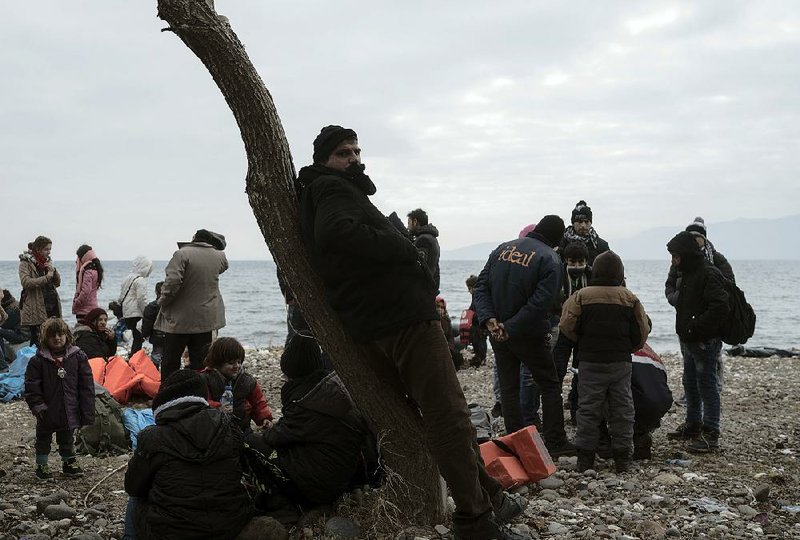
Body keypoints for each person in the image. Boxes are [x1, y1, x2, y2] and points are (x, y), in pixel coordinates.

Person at [296, 125, 527, 540]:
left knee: (443, 417)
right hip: (400, 321)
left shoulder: (330, 189)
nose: (354, 158)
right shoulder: (332, 189)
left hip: (378, 321)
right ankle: (475, 521)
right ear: (325, 159)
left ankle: (490, 495)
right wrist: (406, 247)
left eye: (356, 151)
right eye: (343, 153)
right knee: (450, 418)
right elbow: (338, 234)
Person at [473, 215, 575, 457]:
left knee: (508, 387)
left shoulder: (502, 249)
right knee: (549, 384)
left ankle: (515, 441)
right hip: (528, 334)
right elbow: (542, 302)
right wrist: (511, 326)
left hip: (497, 332)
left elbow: (481, 286)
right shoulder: (550, 258)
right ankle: (556, 440)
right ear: (557, 239)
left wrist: (490, 320)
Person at [123, 370, 252, 540]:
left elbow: (133, 486)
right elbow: (243, 469)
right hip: (230, 526)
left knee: (136, 498)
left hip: (172, 532)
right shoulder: (228, 426)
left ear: (163, 405)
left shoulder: (152, 437)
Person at [247, 337, 369, 506]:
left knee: (250, 443)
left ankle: (269, 498)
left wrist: (266, 432)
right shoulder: (338, 393)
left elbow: (274, 437)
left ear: (291, 371)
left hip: (316, 491)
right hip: (341, 480)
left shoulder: (306, 402)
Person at [559, 251, 650, 473]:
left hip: (589, 361)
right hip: (620, 363)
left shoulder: (580, 296)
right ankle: (622, 459)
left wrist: (581, 342)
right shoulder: (629, 298)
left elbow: (566, 325)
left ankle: (585, 459)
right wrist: (630, 347)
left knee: (588, 409)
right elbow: (642, 330)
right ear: (620, 274)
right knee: (623, 410)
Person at [665, 231, 730, 453]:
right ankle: (693, 424)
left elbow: (721, 306)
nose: (673, 261)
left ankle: (711, 432)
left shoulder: (708, 273)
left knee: (707, 385)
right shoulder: (687, 272)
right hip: (689, 339)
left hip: (704, 341)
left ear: (685, 255)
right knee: (690, 383)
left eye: (676, 256)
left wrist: (697, 325)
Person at [665, 216, 734, 396]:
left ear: (704, 238)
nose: (695, 240)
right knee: (687, 357)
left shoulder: (716, 260)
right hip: (685, 316)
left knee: (713, 358)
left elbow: (728, 288)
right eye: (692, 237)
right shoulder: (679, 261)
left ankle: (715, 389)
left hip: (709, 320)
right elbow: (670, 284)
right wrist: (678, 299)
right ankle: (691, 393)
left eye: (698, 237)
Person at [24, 317, 94, 479]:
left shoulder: (78, 357)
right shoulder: (38, 361)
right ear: (44, 338)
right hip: (46, 410)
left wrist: (87, 409)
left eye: (60, 334)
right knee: (43, 439)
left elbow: (86, 386)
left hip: (69, 408)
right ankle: (42, 465)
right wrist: (38, 406)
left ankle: (69, 462)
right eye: (52, 335)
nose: (57, 338)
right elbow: (31, 386)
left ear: (67, 335)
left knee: (67, 437)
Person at [155, 229, 228, 380]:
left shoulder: (182, 254)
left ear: (194, 239)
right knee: (200, 361)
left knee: (171, 361)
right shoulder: (219, 256)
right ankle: (199, 392)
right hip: (206, 318)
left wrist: (162, 301)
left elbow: (172, 283)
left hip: (180, 320)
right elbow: (223, 267)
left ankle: (169, 393)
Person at [553, 241, 592, 422]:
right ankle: (555, 413)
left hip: (584, 332)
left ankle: (577, 410)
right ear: (565, 261)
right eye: (572, 262)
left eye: (580, 263)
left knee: (580, 371)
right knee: (557, 370)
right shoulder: (557, 275)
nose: (576, 266)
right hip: (562, 330)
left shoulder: (591, 275)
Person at [200, 337, 272, 433]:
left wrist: (264, 418)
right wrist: (218, 407)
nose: (236, 366)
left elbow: (258, 402)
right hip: (214, 430)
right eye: (231, 363)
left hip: (242, 429)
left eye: (238, 362)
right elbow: (202, 402)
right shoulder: (205, 379)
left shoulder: (247, 381)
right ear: (217, 362)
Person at [19, 236, 61, 346]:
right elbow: (26, 282)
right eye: (46, 249)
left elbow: (57, 283)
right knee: (37, 339)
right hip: (36, 308)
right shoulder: (25, 262)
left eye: (50, 249)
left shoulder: (47, 262)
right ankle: (34, 362)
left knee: (52, 336)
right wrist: (47, 277)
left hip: (52, 306)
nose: (49, 252)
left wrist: (54, 271)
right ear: (38, 249)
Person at [119, 256, 153, 355]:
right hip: (136, 314)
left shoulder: (127, 278)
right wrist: (147, 312)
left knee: (135, 338)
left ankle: (133, 357)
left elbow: (121, 297)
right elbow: (141, 299)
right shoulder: (140, 280)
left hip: (127, 313)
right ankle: (135, 359)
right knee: (138, 339)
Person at [558, 200, 610, 265]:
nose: (583, 225)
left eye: (586, 222)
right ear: (573, 223)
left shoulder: (600, 246)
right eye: (579, 222)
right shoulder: (561, 243)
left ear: (591, 223)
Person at [408, 208, 441, 293]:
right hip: (429, 289)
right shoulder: (431, 238)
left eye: (409, 223)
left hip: (422, 291)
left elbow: (420, 268)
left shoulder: (423, 240)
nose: (408, 227)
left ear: (415, 221)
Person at [72, 245, 103, 324]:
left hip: (84, 310)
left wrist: (77, 303)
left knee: (83, 332)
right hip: (92, 307)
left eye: (78, 257)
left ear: (83, 257)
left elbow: (86, 291)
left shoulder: (88, 270)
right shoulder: (95, 268)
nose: (77, 260)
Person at [141, 282, 166, 365]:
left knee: (156, 356)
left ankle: (155, 375)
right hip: (171, 335)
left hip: (157, 336)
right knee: (169, 357)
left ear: (156, 292)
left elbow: (147, 323)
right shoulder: (173, 305)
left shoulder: (151, 306)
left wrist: (145, 334)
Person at [436, 296, 464, 369]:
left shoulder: (446, 320)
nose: (440, 309)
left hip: (446, 346)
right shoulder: (430, 321)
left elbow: (450, 337)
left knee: (457, 358)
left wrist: (450, 348)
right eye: (438, 306)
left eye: (442, 307)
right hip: (435, 347)